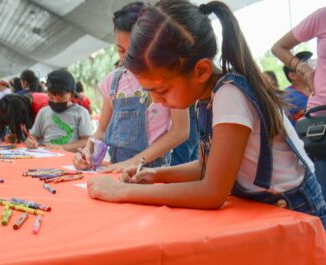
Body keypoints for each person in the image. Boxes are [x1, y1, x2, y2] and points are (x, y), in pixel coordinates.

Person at [87, 0, 326, 228]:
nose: (155, 101)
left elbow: (212, 192)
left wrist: (123, 191)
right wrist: (154, 174)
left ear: (200, 70)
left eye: (160, 90)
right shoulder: (208, 98)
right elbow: (205, 167)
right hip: (266, 209)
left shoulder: (230, 95)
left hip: (297, 212)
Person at [72, 1, 190, 172]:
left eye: (134, 49)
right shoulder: (113, 81)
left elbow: (181, 131)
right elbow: (101, 131)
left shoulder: (168, 77)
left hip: (152, 171)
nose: (128, 58)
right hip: (116, 168)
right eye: (121, 50)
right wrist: (86, 152)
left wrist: (135, 161)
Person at [272, 8, 326, 201]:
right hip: (320, 119)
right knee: (323, 198)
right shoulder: (322, 16)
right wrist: (303, 68)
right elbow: (278, 47)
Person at [25, 69, 92, 152]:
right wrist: (31, 141)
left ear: (72, 95)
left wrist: (63, 148)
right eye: (51, 97)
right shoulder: (43, 112)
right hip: (45, 155)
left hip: (69, 159)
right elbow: (34, 136)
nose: (55, 101)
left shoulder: (81, 113)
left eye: (61, 98)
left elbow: (86, 141)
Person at [282, 51, 312, 126]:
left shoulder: (317, 87)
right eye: (305, 66)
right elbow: (285, 122)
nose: (311, 68)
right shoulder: (287, 96)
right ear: (293, 76)